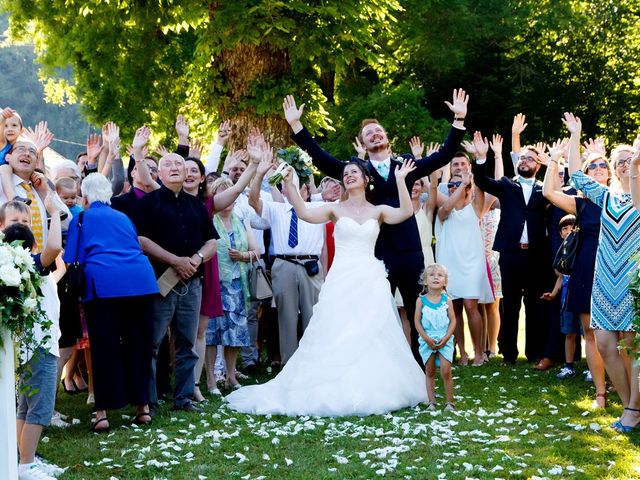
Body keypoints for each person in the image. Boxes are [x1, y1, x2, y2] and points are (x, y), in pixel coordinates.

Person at [227, 158, 426, 416]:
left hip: (369, 277)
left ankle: (375, 384)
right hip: (342, 277)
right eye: (346, 173)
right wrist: (289, 184)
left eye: (355, 172)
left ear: (366, 180)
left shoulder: (378, 211)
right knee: (337, 327)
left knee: (373, 329)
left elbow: (405, 213)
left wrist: (401, 181)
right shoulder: (334, 208)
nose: (349, 176)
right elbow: (304, 213)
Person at [283, 89, 469, 365]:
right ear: (363, 143)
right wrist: (297, 127)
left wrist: (458, 120)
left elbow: (442, 157)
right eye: (369, 133)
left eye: (378, 131)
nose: (374, 135)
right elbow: (321, 158)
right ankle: (378, 367)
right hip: (375, 253)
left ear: (386, 138)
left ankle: (423, 369)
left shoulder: (405, 165)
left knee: (417, 309)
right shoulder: (356, 170)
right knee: (375, 314)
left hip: (409, 250)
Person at [63, 173, 159, 432]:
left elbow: (72, 257)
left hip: (104, 285)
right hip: (141, 281)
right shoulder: (123, 217)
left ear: (84, 197)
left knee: (104, 348)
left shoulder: (81, 219)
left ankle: (103, 413)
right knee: (139, 344)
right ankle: (143, 408)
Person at [135, 152, 217, 413]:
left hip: (192, 284)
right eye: (168, 164)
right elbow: (141, 240)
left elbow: (212, 242)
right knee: (153, 343)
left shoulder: (197, 206)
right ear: (158, 173)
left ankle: (183, 398)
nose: (175, 168)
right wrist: (175, 261)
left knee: (187, 344)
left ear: (187, 174)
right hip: (160, 282)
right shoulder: (149, 203)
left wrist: (196, 258)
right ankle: (147, 400)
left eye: (179, 165)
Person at [472, 133, 554, 366]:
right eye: (523, 158)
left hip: (537, 254)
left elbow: (564, 188)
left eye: (530, 159)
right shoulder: (508, 185)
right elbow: (483, 181)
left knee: (534, 304)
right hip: (511, 253)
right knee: (511, 305)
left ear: (538, 165)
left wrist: (554, 163)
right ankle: (508, 354)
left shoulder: (544, 189)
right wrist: (480, 158)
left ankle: (534, 352)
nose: (525, 161)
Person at [1, 193, 64, 480]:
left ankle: (24, 461)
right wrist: (51, 211)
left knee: (26, 405)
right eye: (16, 221)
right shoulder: (25, 263)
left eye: (27, 220)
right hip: (39, 343)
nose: (23, 225)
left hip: (28, 344)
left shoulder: (15, 263)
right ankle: (27, 465)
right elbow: (54, 245)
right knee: (40, 406)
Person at [542, 134, 607, 407]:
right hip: (586, 267)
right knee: (590, 332)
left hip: (616, 268)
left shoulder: (622, 198)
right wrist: (555, 159)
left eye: (604, 164)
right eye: (593, 166)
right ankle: (601, 393)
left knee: (616, 333)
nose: (599, 168)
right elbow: (548, 193)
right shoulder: (581, 204)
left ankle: (622, 382)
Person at [435, 166, 494, 366]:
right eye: (451, 185)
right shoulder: (443, 211)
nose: (453, 188)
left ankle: (479, 352)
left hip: (472, 263)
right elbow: (447, 208)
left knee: (471, 306)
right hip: (450, 263)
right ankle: (462, 352)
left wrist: (472, 179)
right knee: (456, 309)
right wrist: (461, 184)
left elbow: (482, 191)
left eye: (458, 184)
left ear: (468, 188)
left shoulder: (475, 208)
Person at [206, 177, 259, 390]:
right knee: (211, 333)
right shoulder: (208, 220)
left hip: (237, 285)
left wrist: (243, 256)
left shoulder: (240, 221)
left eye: (232, 195)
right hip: (214, 284)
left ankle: (231, 375)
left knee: (235, 333)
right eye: (223, 194)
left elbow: (257, 251)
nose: (229, 200)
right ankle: (210, 379)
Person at [415, 263, 456, 412]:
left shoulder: (447, 301)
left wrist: (446, 338)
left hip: (445, 339)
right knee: (430, 370)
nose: (435, 278)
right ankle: (431, 402)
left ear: (445, 281)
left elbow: (453, 321)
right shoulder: (421, 301)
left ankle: (450, 402)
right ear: (425, 281)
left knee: (446, 370)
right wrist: (426, 338)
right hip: (427, 340)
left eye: (439, 275)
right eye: (431, 275)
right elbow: (417, 321)